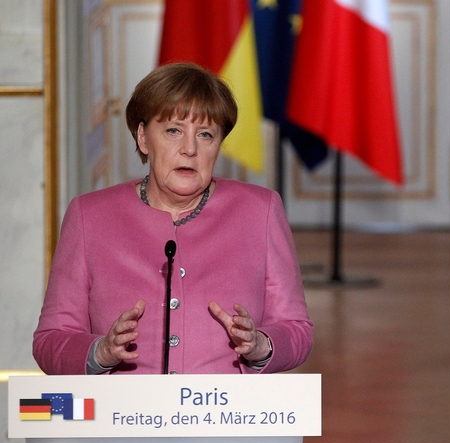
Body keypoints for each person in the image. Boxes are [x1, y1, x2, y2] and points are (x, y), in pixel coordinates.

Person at [33, 62, 313, 375]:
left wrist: (262, 346)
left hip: (223, 406)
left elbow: (297, 330)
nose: (189, 149)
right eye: (173, 131)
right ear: (143, 137)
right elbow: (50, 341)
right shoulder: (89, 216)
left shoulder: (260, 211)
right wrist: (101, 351)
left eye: (205, 134)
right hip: (126, 406)